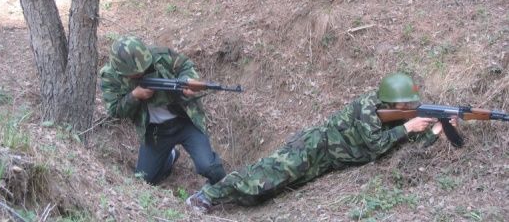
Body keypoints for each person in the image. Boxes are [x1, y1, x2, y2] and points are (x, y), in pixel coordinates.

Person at [185, 72, 457, 213]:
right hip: (314, 146)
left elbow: (403, 142)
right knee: (263, 177)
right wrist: (409, 127)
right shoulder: (368, 107)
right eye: (407, 103)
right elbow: (378, 146)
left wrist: (434, 131)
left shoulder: (394, 112)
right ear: (391, 99)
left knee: (268, 192)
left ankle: (226, 200)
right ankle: (205, 196)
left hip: (327, 161)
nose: (410, 106)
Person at [99, 36, 226, 185]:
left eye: (145, 69)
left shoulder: (160, 56)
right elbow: (115, 111)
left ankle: (211, 194)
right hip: (155, 133)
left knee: (210, 169)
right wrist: (135, 96)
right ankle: (170, 156)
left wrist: (188, 81)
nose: (142, 73)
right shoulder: (110, 77)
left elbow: (184, 65)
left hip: (185, 121)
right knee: (143, 180)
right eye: (136, 75)